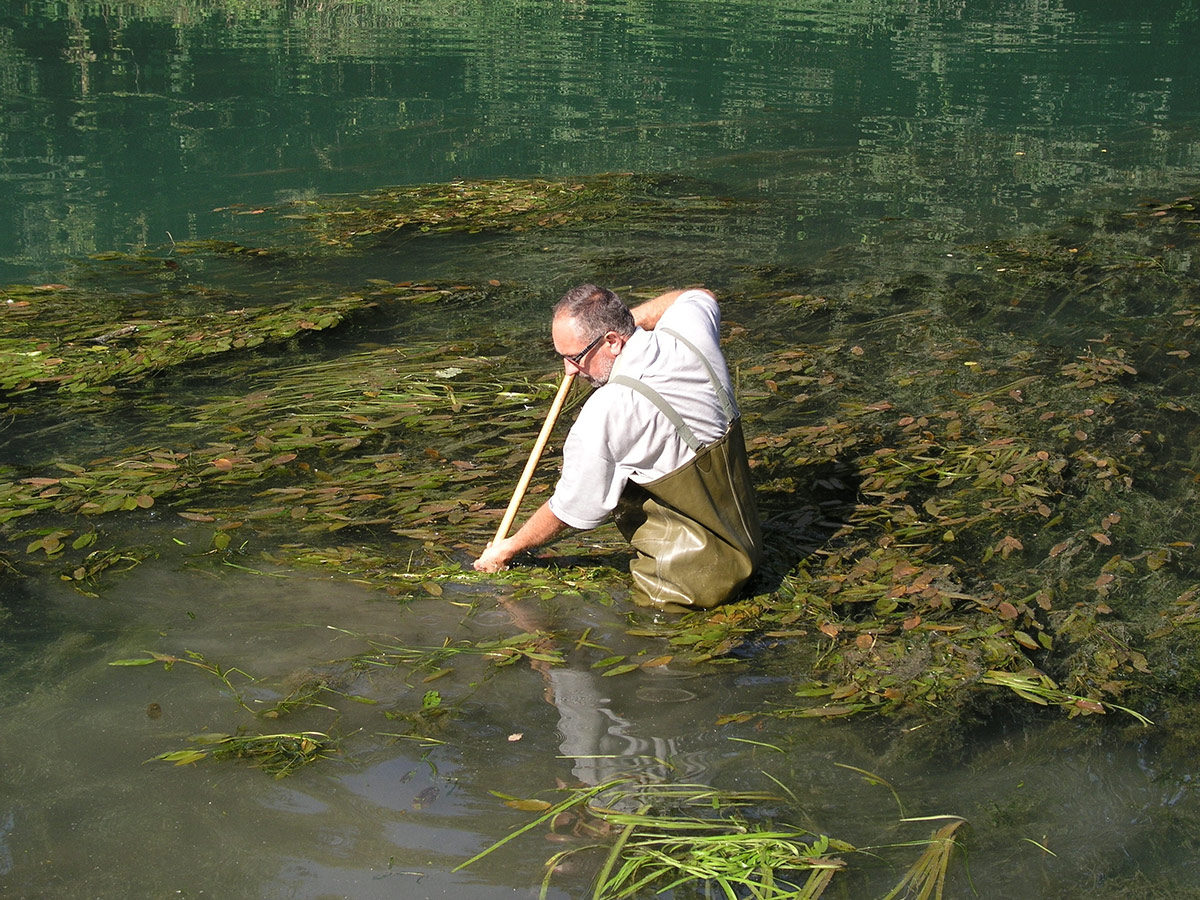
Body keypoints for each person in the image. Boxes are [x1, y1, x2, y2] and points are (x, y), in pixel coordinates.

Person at [474, 284, 762, 611]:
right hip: (747, 552)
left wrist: (509, 548)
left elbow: (572, 509)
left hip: (685, 591)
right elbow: (699, 296)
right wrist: (627, 320)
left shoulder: (608, 410)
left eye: (575, 358)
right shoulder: (689, 335)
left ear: (612, 341)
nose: (569, 371)